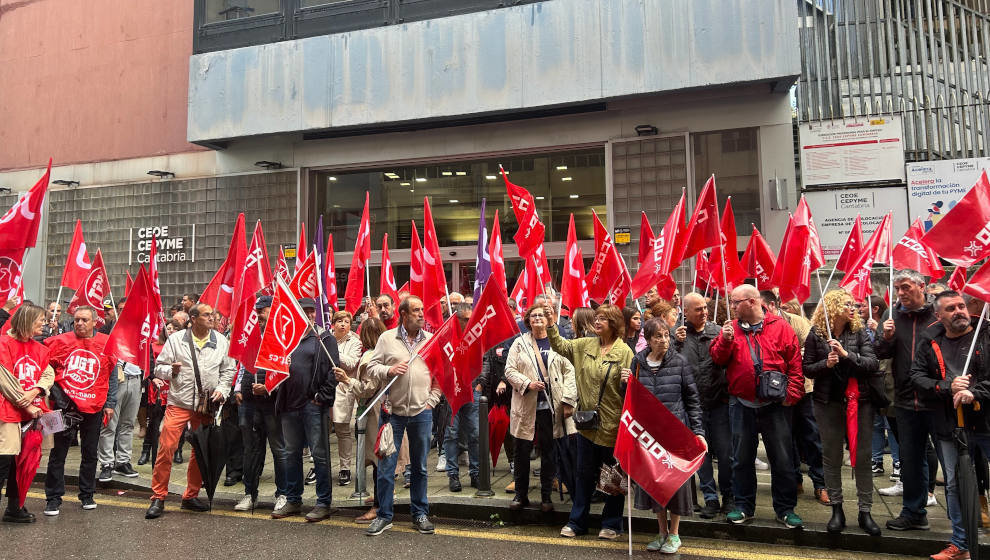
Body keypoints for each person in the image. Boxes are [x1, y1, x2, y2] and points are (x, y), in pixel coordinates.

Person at [710, 284, 805, 529]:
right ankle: (743, 506)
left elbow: (794, 363)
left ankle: (785, 509)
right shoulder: (730, 329)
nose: (731, 307)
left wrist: (791, 395)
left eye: (735, 302)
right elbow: (718, 359)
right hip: (741, 404)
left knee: (782, 459)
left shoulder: (780, 327)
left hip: (775, 405)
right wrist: (725, 341)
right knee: (741, 459)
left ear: (752, 302)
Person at [909, 290, 990, 560]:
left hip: (986, 420)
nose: (959, 311)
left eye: (961, 306)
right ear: (939, 315)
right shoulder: (930, 340)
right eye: (951, 308)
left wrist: (975, 393)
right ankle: (960, 544)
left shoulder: (985, 333)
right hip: (950, 425)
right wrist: (947, 386)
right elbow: (917, 377)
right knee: (954, 484)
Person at [544, 301, 633, 540]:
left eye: (602, 318)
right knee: (583, 475)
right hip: (586, 426)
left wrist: (628, 381)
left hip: (613, 426)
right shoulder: (584, 345)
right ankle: (577, 521)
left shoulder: (624, 352)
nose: (597, 321)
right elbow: (560, 346)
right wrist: (552, 323)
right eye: (597, 317)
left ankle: (611, 523)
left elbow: (630, 394)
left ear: (613, 324)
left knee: (612, 478)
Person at [145, 303, 236, 520]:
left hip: (205, 406)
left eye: (213, 315)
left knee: (200, 451)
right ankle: (158, 497)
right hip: (178, 403)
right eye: (206, 315)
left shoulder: (221, 341)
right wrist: (171, 370)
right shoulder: (176, 340)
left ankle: (190, 496)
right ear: (193, 319)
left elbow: (228, 370)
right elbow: (158, 368)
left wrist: (222, 391)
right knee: (166, 448)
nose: (212, 318)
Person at [803, 290, 882, 536]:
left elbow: (872, 363)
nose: (853, 308)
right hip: (827, 402)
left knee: (863, 456)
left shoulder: (859, 333)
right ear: (833, 307)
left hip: (860, 402)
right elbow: (807, 368)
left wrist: (847, 355)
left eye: (854, 304)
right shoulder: (816, 335)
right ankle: (837, 509)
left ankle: (865, 511)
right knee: (831, 456)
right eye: (847, 304)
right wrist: (825, 365)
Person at [366, 296, 442, 537]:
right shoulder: (387, 339)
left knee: (419, 467)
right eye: (416, 310)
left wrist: (431, 402)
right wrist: (389, 369)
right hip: (392, 414)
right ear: (404, 315)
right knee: (386, 467)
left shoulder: (431, 341)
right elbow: (371, 367)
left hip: (422, 413)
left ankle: (420, 513)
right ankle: (384, 516)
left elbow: (439, 377)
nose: (421, 314)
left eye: (422, 310)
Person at [875, 269, 940, 532]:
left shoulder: (938, 315)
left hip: (937, 399)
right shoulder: (892, 317)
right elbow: (880, 353)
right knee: (911, 460)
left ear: (921, 287)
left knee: (951, 459)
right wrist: (886, 338)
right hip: (904, 401)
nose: (901, 293)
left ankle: (963, 518)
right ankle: (913, 512)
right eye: (897, 289)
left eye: (905, 287)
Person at [632, 318, 705, 553]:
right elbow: (630, 400)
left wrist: (698, 432)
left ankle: (674, 534)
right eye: (658, 337)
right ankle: (661, 531)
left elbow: (692, 400)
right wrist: (626, 384)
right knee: (655, 483)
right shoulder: (638, 363)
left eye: (666, 335)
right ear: (648, 340)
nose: (663, 340)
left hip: (675, 434)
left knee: (675, 484)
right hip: (649, 435)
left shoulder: (680, 362)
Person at [42, 306, 117, 516]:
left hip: (94, 407)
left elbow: (111, 375)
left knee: (90, 453)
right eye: (76, 320)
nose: (80, 324)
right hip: (64, 406)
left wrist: (110, 403)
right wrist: (56, 397)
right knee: (58, 453)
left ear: (95, 322)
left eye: (84, 320)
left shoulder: (105, 343)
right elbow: (45, 368)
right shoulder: (59, 341)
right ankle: (53, 498)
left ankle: (87, 494)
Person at [503, 304, 577, 512]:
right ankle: (521, 495)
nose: (537, 318)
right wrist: (528, 384)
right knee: (522, 451)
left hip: (551, 408)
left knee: (549, 452)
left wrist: (569, 401)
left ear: (549, 319)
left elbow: (569, 373)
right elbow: (509, 370)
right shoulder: (519, 343)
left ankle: (546, 497)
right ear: (528, 320)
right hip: (526, 405)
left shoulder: (558, 343)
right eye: (533, 315)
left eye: (542, 315)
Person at [272, 298, 339, 521]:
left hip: (312, 406)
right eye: (305, 311)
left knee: (319, 455)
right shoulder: (285, 336)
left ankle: (323, 503)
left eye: (312, 311)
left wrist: (322, 397)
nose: (309, 315)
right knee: (291, 454)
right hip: (288, 406)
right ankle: (293, 500)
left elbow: (333, 370)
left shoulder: (325, 338)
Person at [761, 290, 827, 505]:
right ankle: (794, 479)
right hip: (775, 393)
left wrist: (788, 357)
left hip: (803, 389)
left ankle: (820, 483)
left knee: (811, 436)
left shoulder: (797, 322)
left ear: (773, 305)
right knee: (785, 439)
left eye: (764, 307)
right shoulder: (759, 325)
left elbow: (809, 351)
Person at [675, 292, 731, 519]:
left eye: (705, 308)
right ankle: (710, 498)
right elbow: (670, 364)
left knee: (727, 454)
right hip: (692, 407)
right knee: (701, 455)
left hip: (719, 402)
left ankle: (729, 496)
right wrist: (675, 344)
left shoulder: (717, 332)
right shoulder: (677, 336)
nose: (704, 312)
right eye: (698, 309)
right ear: (685, 312)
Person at [232, 296, 286, 512]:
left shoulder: (281, 336)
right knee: (250, 450)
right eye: (257, 310)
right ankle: (249, 494)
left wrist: (269, 387)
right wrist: (237, 388)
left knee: (278, 449)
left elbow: (284, 370)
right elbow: (243, 365)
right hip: (248, 402)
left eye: (262, 310)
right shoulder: (252, 335)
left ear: (272, 311)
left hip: (271, 403)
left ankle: (282, 494)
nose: (258, 314)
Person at [0, 304, 52, 522]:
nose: (45, 323)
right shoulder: (3, 343)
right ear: (28, 321)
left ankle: (15, 506)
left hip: (32, 413)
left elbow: (48, 372)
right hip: (7, 413)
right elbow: (4, 379)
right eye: (41, 320)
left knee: (25, 462)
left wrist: (36, 390)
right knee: (3, 462)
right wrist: (27, 405)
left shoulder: (39, 348)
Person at [340, 317, 387, 523]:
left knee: (378, 459)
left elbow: (367, 389)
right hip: (381, 409)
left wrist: (347, 380)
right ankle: (380, 499)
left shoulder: (370, 358)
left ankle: (378, 505)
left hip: (374, 411)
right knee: (381, 458)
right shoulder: (386, 353)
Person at [443, 303, 480, 492]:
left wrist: (480, 383)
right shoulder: (446, 336)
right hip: (452, 392)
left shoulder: (477, 335)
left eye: (471, 318)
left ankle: (476, 473)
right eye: (465, 319)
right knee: (451, 435)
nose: (469, 322)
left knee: (475, 433)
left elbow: (485, 359)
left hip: (473, 390)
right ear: (456, 319)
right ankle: (453, 475)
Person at [97, 354, 144, 481]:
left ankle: (123, 462)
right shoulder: (114, 335)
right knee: (109, 424)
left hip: (136, 379)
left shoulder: (140, 336)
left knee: (128, 425)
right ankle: (107, 463)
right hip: (117, 379)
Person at [330, 310, 362, 487]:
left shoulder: (355, 341)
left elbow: (350, 363)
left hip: (342, 390)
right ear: (333, 323)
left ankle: (345, 467)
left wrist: (331, 349)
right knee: (320, 431)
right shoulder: (326, 338)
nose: (343, 324)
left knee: (343, 430)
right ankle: (320, 466)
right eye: (339, 321)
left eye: (347, 322)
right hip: (323, 388)